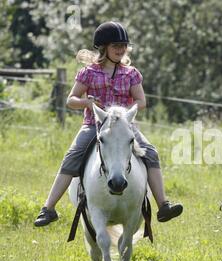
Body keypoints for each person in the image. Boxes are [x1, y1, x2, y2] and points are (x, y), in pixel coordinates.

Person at [34, 21, 183, 227]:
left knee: (150, 152)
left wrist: (126, 112)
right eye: (116, 46)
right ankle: (48, 208)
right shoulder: (88, 72)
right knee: (72, 155)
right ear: (104, 48)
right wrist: (87, 102)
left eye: (123, 46)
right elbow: (71, 100)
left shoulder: (131, 74)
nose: (121, 50)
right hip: (93, 125)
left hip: (124, 128)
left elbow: (141, 101)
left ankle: (163, 205)